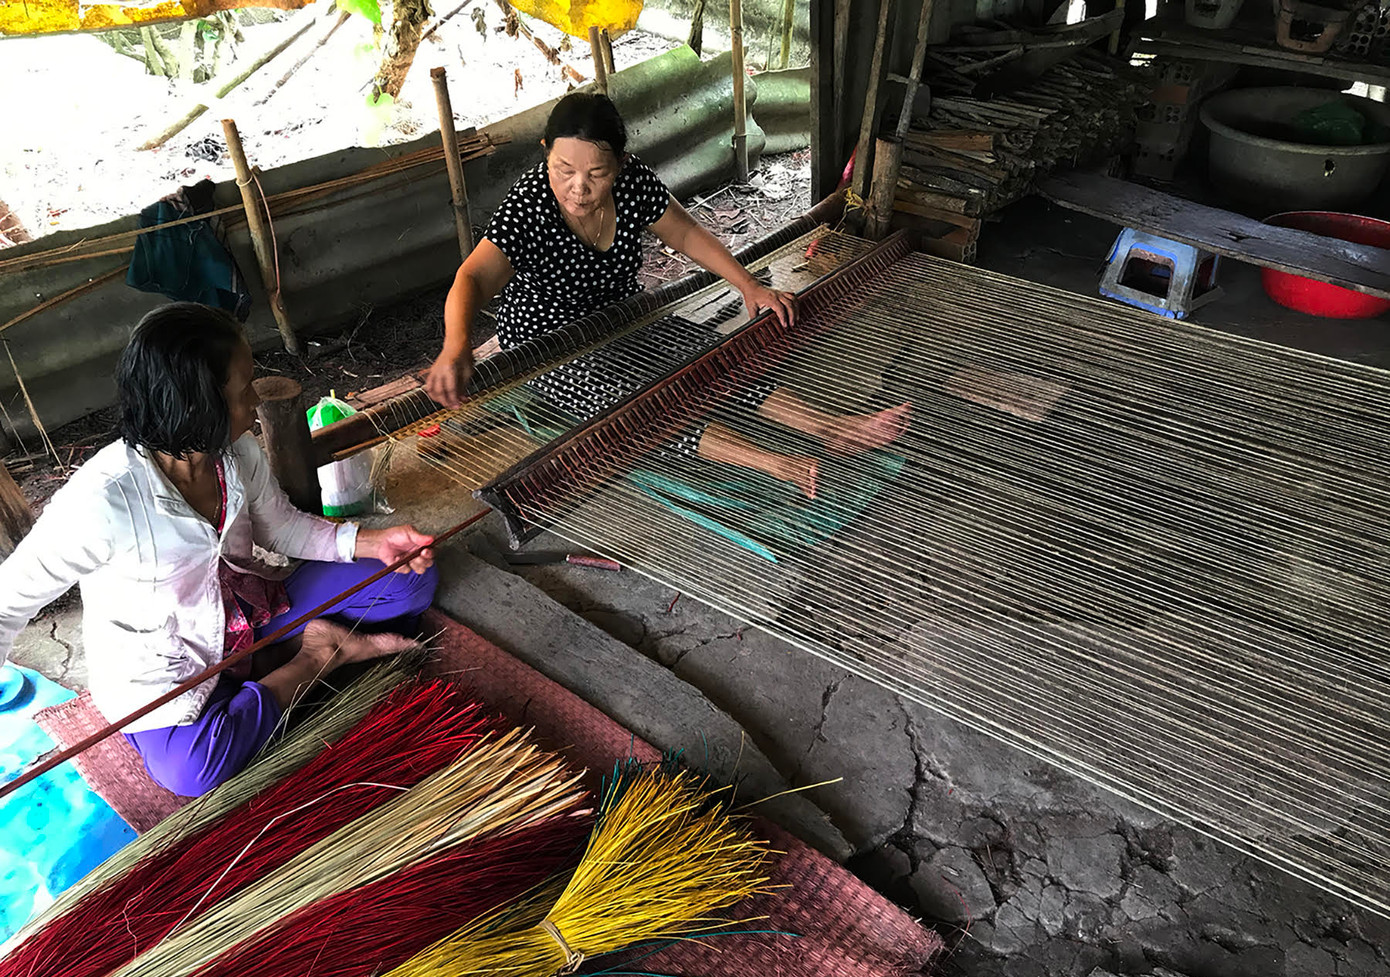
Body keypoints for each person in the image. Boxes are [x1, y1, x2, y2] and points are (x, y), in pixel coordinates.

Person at [0, 303, 439, 798]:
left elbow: (282, 529)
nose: (254, 402)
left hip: (249, 614)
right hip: (171, 667)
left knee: (407, 579)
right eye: (243, 389)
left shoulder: (235, 452)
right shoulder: (103, 501)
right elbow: (8, 600)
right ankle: (318, 656)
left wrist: (373, 541)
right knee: (193, 771)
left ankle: (267, 674)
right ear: (196, 403)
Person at [424, 92, 910, 498]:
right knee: (631, 402)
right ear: (545, 150)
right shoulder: (529, 206)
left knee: (708, 356)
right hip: (547, 342)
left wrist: (750, 285)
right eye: (563, 168)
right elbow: (472, 279)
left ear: (619, 162)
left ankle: (832, 429)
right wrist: (456, 343)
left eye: (597, 174)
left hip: (622, 316)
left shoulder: (634, 182)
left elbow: (686, 234)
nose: (578, 188)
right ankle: (776, 463)